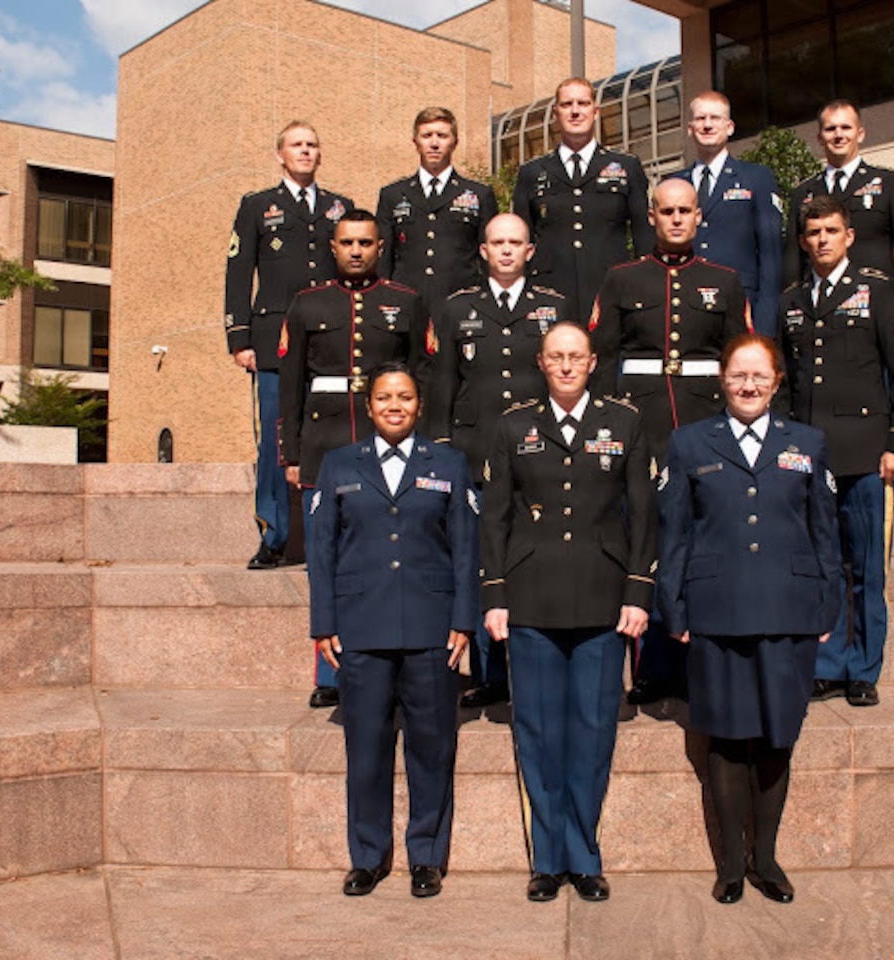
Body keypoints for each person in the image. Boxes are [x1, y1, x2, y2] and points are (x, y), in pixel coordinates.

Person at [658, 333, 843, 904]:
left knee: (776, 738)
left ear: (777, 380)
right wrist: (675, 604)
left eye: (760, 375)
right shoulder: (690, 444)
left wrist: (828, 602)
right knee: (726, 740)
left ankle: (767, 856)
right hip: (717, 612)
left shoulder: (807, 442)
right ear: (722, 378)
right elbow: (676, 533)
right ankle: (732, 865)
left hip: (790, 611)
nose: (748, 384)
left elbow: (824, 532)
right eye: (738, 374)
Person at [480, 321, 656, 903]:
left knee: (593, 730)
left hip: (604, 600)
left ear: (592, 361)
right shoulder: (512, 425)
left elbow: (644, 514)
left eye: (574, 357)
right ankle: (547, 858)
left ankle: (584, 855)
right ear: (540, 361)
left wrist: (637, 592)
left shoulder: (625, 422)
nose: (564, 366)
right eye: (555, 357)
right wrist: (496, 595)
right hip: (530, 599)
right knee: (537, 731)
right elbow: (495, 518)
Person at [308, 361, 478, 899]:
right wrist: (324, 623)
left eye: (404, 397)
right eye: (384, 397)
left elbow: (466, 549)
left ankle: (426, 857)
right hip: (361, 629)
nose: (394, 406)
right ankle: (368, 856)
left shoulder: (448, 463)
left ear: (419, 405)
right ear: (369, 403)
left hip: (432, 628)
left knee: (431, 747)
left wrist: (463, 620)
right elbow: (321, 551)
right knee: (366, 748)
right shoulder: (338, 465)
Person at [589, 176, 751, 704]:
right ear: (651, 218)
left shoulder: (723, 281)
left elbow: (739, 360)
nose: (676, 219)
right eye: (666, 211)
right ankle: (654, 663)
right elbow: (603, 359)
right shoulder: (621, 278)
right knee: (648, 542)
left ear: (698, 216)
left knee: (703, 543)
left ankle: (703, 659)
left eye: (685, 211)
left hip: (705, 428)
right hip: (643, 425)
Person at [779, 196, 894, 707]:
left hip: (868, 457)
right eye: (813, 231)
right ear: (802, 241)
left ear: (849, 236)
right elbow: (784, 383)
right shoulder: (791, 301)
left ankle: (863, 669)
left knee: (866, 569)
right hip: (810, 460)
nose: (822, 239)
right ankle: (827, 665)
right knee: (822, 566)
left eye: (831, 230)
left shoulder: (880, 292)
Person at [279, 209, 428, 708]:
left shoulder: (405, 302)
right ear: (333, 247)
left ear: (380, 247)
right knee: (328, 559)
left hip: (388, 443)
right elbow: (291, 386)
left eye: (366, 242)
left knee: (389, 554)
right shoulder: (305, 304)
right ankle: (330, 671)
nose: (357, 250)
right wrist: (292, 453)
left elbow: (420, 376)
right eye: (348, 242)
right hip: (325, 447)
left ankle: (393, 664)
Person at [427, 212, 572, 709]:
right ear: (483, 251)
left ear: (530, 251)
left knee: (535, 557)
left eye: (516, 242)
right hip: (472, 453)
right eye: (498, 242)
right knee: (481, 562)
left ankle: (537, 665)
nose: (507, 250)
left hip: (537, 454)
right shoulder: (456, 309)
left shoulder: (554, 307)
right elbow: (443, 383)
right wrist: (440, 450)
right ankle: (489, 674)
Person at [225, 120, 354, 570]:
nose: (305, 151)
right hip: (273, 341)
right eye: (296, 145)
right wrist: (238, 337)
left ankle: (340, 535)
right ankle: (275, 537)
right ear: (280, 154)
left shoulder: (343, 207)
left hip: (330, 342)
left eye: (312, 145)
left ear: (320, 154)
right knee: (277, 442)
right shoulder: (257, 206)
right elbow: (238, 274)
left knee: (337, 437)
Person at [513, 77, 655, 322]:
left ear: (596, 111)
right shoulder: (531, 173)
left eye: (583, 103)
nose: (575, 111)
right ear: (555, 113)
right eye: (567, 104)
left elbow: (644, 237)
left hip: (611, 292)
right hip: (548, 295)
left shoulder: (626, 166)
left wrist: (644, 289)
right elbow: (520, 239)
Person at [785, 100, 894, 332]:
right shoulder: (804, 192)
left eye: (846, 128)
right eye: (830, 129)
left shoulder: (889, 183)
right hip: (820, 309)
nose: (838, 135)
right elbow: (793, 257)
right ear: (820, 137)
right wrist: (790, 306)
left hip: (878, 307)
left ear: (860, 134)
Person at [672, 90, 782, 335]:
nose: (707, 125)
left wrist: (765, 325)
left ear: (730, 127)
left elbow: (770, 255)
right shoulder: (674, 183)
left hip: (741, 306)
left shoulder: (756, 178)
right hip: (686, 306)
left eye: (715, 118)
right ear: (690, 128)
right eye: (700, 119)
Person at [375, 107, 498, 317]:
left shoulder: (479, 195)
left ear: (455, 142)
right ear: (416, 142)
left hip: (462, 306)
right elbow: (383, 259)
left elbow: (489, 259)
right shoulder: (392, 195)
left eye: (442, 136)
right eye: (427, 135)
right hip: (406, 306)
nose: (434, 143)